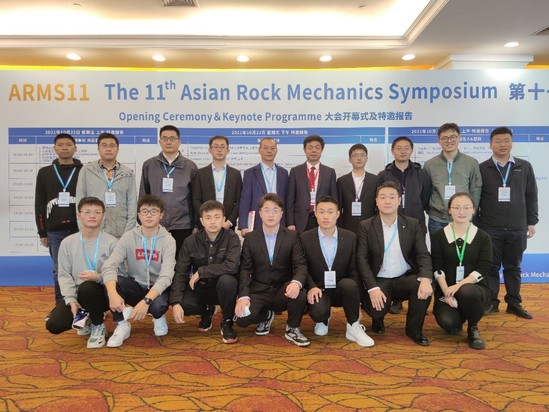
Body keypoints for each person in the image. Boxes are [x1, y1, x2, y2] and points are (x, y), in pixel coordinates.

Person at [357, 181, 433, 346]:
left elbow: (423, 254)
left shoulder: (412, 224)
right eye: (383, 197)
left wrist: (426, 278)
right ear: (376, 201)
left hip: (403, 278)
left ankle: (414, 330)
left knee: (423, 287)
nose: (387, 201)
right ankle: (378, 319)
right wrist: (372, 288)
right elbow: (362, 260)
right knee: (376, 311)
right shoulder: (366, 226)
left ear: (399, 201)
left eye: (392, 197)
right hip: (379, 280)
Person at [477, 127, 538, 319]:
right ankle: (491, 302)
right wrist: (477, 225)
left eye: (506, 140)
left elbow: (531, 195)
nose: (502, 145)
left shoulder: (524, 166)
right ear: (490, 144)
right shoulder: (482, 168)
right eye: (498, 141)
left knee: (514, 267)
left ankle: (514, 303)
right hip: (490, 227)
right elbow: (476, 198)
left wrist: (531, 221)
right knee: (491, 267)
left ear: (512, 142)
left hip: (517, 226)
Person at [235, 193, 310, 347]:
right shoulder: (250, 238)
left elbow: (300, 265)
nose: (271, 214)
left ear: (281, 214)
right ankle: (266, 316)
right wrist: (243, 296)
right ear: (260, 213)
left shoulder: (292, 236)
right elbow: (245, 270)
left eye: (275, 210)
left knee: (299, 293)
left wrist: (296, 282)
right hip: (259, 290)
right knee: (242, 319)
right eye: (267, 210)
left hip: (282, 290)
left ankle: (292, 328)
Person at [101, 195, 176, 347]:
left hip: (157, 289)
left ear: (161, 215)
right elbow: (109, 265)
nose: (149, 215)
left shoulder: (168, 240)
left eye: (153, 211)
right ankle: (122, 324)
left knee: (158, 306)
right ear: (139, 215)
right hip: (136, 285)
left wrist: (146, 301)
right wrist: (112, 293)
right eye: (145, 211)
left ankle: (157, 315)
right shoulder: (128, 237)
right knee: (111, 284)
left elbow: (166, 276)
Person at [45, 197, 121, 349]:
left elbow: (121, 275)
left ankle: (98, 325)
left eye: (97, 212)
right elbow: (64, 276)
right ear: (79, 215)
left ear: (103, 216)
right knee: (54, 324)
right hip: (79, 294)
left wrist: (98, 277)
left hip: (103, 293)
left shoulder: (112, 242)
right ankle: (87, 317)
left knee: (88, 287)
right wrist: (71, 300)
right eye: (87, 212)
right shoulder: (67, 243)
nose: (92, 215)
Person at [301, 195, 374, 347]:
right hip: (319, 289)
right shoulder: (305, 238)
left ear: (338, 214)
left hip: (342, 288)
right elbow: (303, 267)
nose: (325, 216)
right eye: (321, 212)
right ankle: (323, 318)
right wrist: (311, 286)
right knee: (318, 313)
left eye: (330, 212)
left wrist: (356, 300)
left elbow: (355, 269)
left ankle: (353, 326)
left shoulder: (350, 237)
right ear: (315, 213)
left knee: (350, 285)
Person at [170, 200, 240, 344]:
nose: (212, 222)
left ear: (224, 219)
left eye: (217, 217)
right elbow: (181, 272)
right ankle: (206, 310)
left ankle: (227, 321)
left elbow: (232, 266)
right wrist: (175, 302)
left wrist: (203, 271)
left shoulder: (232, 238)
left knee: (228, 281)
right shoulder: (190, 241)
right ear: (202, 221)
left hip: (223, 288)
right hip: (201, 287)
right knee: (184, 303)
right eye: (208, 217)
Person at [377, 136, 432, 315]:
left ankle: (416, 299)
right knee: (394, 257)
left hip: (415, 224)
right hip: (391, 224)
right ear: (392, 151)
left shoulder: (421, 173)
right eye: (398, 148)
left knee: (415, 260)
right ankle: (397, 299)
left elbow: (425, 198)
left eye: (406, 148)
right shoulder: (384, 174)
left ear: (411, 150)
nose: (402, 151)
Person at [431, 193, 492, 349]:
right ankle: (461, 315)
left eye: (466, 207)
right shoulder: (439, 236)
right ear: (449, 210)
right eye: (456, 207)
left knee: (467, 291)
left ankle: (473, 327)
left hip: (474, 289)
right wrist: (446, 291)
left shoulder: (483, 237)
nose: (461, 212)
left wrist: (457, 287)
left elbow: (483, 269)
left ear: (473, 210)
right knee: (448, 323)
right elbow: (437, 267)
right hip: (447, 290)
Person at [35, 133, 83, 307]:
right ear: (54, 148)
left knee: (81, 268)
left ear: (75, 148)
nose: (64, 148)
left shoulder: (84, 171)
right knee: (58, 270)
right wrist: (42, 232)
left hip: (80, 229)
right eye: (60, 145)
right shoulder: (45, 173)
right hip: (54, 231)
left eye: (68, 144)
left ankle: (82, 304)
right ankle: (61, 305)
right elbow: (40, 203)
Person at [139, 125, 198, 257]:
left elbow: (195, 198)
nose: (168, 142)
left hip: (183, 225)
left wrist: (196, 225)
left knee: (181, 262)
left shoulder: (190, 167)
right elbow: (144, 195)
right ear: (160, 142)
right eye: (165, 138)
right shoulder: (149, 165)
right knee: (155, 261)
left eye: (172, 138)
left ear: (179, 142)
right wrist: (142, 219)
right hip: (155, 223)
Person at [423, 123, 482, 236]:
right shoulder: (429, 164)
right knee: (438, 247)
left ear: (459, 138)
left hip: (463, 217)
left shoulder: (471, 163)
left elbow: (475, 190)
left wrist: (470, 213)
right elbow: (426, 192)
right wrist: (432, 210)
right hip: (437, 219)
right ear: (439, 141)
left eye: (453, 137)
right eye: (444, 138)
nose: (449, 141)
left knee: (463, 247)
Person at [76, 132, 137, 238]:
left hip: (120, 231)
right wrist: (83, 229)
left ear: (118, 149)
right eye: (104, 145)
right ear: (98, 149)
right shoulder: (87, 170)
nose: (108, 149)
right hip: (93, 230)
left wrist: (128, 234)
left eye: (112, 146)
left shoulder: (127, 173)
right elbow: (79, 200)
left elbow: (132, 204)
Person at [286, 134, 337, 233]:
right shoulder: (295, 171)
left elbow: (334, 199)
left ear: (322, 150)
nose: (314, 151)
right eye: (310, 148)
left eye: (317, 148)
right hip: (300, 221)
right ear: (305, 150)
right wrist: (290, 222)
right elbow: (290, 199)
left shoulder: (329, 172)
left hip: (323, 219)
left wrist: (333, 221)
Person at [238, 138, 288, 236]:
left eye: (272, 148)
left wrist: (289, 223)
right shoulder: (250, 173)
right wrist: (243, 225)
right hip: (257, 221)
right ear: (259, 150)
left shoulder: (283, 173)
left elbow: (287, 200)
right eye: (266, 148)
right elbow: (245, 200)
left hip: (279, 220)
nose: (269, 151)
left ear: (276, 151)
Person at [192, 135, 242, 230]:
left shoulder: (235, 174)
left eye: (222, 147)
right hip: (206, 225)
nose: (219, 150)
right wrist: (206, 219)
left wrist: (229, 222)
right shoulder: (200, 173)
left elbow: (239, 201)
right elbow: (196, 199)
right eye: (216, 146)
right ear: (210, 150)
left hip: (227, 225)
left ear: (228, 150)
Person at [337, 143, 377, 232]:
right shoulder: (342, 181)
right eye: (355, 155)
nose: (359, 158)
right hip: (347, 226)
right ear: (349, 159)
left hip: (370, 226)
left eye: (362, 155)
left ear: (366, 159)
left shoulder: (375, 180)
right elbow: (338, 207)